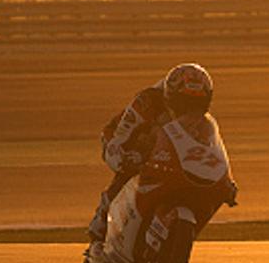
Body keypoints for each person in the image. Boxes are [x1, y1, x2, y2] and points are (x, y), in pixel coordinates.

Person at [86, 63, 214, 242]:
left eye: (196, 103)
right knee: (127, 170)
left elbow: (206, 149)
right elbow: (120, 137)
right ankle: (100, 228)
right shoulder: (147, 101)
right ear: (171, 95)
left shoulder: (199, 119)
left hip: (161, 148)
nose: (190, 108)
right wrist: (123, 156)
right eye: (185, 102)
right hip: (124, 138)